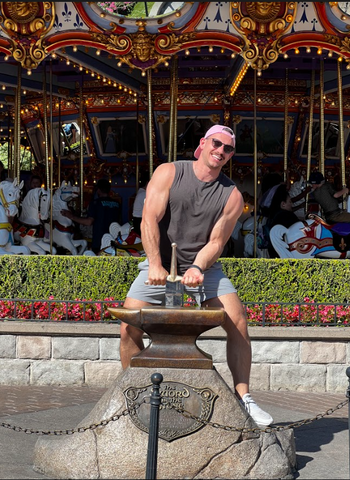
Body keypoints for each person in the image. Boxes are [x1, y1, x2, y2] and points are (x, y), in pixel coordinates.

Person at [120, 124, 273, 427]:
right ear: (203, 144)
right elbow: (149, 218)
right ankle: (131, 393)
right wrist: (154, 264)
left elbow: (217, 241)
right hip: (160, 263)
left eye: (228, 148)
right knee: (128, 327)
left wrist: (197, 267)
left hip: (203, 268)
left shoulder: (231, 195)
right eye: (217, 144)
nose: (221, 151)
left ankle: (244, 397)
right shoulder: (169, 172)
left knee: (238, 321)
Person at [61, 178, 121, 253]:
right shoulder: (117, 204)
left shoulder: (95, 203)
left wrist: (71, 216)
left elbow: (88, 222)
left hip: (100, 240)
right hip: (114, 239)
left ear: (98, 190)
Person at [266, 184, 300, 258]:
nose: (291, 204)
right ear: (283, 204)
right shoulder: (287, 216)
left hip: (273, 251)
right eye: (290, 202)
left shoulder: (273, 215)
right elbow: (299, 229)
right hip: (285, 252)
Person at [132, 172, 149, 237]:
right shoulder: (144, 194)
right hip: (140, 221)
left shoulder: (141, 193)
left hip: (139, 220)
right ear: (148, 183)